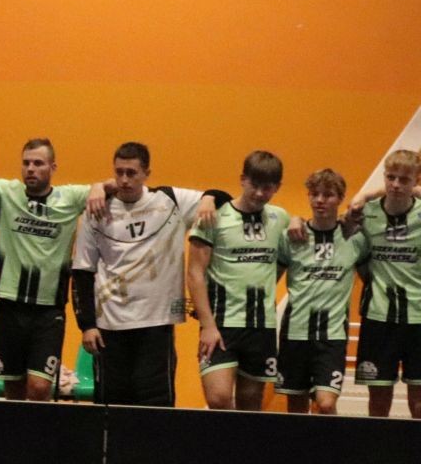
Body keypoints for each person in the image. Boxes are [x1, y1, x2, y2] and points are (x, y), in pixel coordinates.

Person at [70, 143, 221, 408]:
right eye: (119, 172)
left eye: (132, 173)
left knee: (156, 407)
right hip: (109, 327)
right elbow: (82, 271)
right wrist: (87, 325)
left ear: (146, 173)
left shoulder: (170, 200)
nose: (124, 180)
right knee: (110, 409)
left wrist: (209, 198)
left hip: (156, 325)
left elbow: (224, 198)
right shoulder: (97, 210)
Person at [0, 138, 97, 401]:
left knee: (40, 387)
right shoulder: (8, 192)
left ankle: (40, 429)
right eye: (26, 163)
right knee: (13, 388)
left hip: (48, 311)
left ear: (53, 167)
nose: (31, 169)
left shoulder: (70, 197)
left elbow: (111, 186)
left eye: (38, 163)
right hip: (10, 305)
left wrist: (100, 187)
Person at [188, 150, 290, 412]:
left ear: (277, 187)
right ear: (243, 179)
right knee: (219, 398)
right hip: (222, 324)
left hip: (261, 327)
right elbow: (195, 273)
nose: (259, 193)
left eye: (267, 187)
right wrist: (207, 325)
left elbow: (282, 261)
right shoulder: (213, 217)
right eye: (254, 185)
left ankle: (241, 440)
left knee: (250, 405)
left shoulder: (281, 218)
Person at [275, 168, 368, 415]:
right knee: (296, 407)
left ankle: (331, 442)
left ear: (340, 198)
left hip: (332, 336)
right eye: (314, 194)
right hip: (295, 332)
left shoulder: (355, 238)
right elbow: (270, 278)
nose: (319, 200)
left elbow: (371, 278)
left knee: (326, 404)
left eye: (327, 195)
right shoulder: (292, 236)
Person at [352, 149, 421, 418]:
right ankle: (377, 446)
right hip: (378, 318)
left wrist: (369, 192)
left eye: (404, 179)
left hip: (418, 318)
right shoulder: (366, 214)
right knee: (379, 402)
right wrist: (364, 197)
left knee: (419, 403)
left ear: (416, 181)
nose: (395, 185)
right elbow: (355, 255)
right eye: (390, 177)